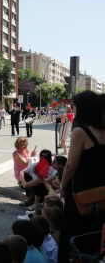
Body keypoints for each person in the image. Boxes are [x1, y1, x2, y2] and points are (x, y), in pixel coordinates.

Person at [58, 90, 105, 262]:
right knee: (97, 233)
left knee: (74, 231)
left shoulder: (81, 131)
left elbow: (71, 166)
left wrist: (63, 186)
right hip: (102, 190)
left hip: (81, 190)